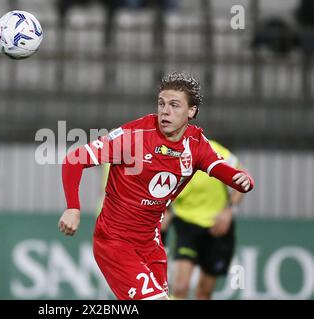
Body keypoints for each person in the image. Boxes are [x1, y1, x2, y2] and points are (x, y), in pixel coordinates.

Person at [58, 72, 254, 300]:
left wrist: (243, 180)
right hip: (115, 242)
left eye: (174, 105)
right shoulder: (135, 136)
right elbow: (75, 159)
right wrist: (73, 207)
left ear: (191, 111)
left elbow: (226, 172)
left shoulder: (196, 144)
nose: (165, 111)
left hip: (151, 243)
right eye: (161, 104)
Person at [161, 140, 245, 299]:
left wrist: (229, 211)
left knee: (204, 292)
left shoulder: (216, 152)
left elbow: (242, 178)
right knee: (180, 287)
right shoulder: (166, 157)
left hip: (217, 227)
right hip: (187, 225)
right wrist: (165, 212)